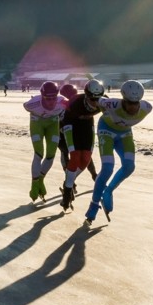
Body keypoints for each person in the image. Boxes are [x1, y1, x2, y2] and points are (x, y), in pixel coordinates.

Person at [83, 80, 153, 226]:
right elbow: (94, 99)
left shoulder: (147, 107)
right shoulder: (110, 104)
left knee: (129, 167)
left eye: (136, 103)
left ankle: (108, 191)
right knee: (107, 168)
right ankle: (94, 205)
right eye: (129, 102)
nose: (133, 106)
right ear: (123, 99)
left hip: (125, 134)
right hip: (106, 131)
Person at [60, 80, 104, 211]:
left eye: (98, 99)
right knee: (75, 156)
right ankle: (67, 193)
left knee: (85, 159)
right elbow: (64, 120)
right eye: (92, 99)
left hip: (86, 125)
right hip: (70, 125)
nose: (96, 102)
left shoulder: (104, 101)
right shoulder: (75, 103)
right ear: (86, 95)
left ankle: (68, 182)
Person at [23, 81, 67, 203]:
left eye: (54, 98)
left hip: (53, 123)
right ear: (42, 96)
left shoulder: (62, 101)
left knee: (51, 155)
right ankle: (34, 185)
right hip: (37, 123)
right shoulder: (33, 104)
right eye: (48, 98)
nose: (51, 101)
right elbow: (25, 106)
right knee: (39, 153)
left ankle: (40, 180)